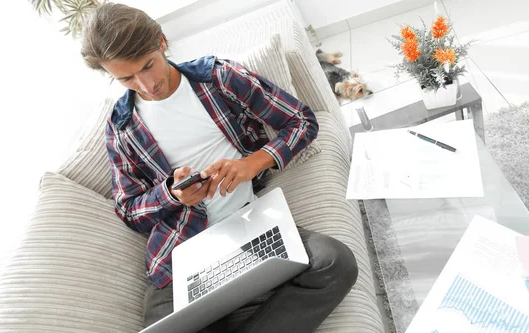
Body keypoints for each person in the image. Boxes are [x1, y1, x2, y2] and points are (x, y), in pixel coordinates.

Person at [80, 3, 358, 333]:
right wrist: (171, 194)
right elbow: (128, 209)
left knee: (335, 264)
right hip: (180, 252)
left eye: (147, 66)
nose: (145, 84)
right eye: (126, 78)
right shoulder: (121, 127)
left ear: (162, 41)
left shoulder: (219, 78)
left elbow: (301, 121)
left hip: (249, 226)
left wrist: (252, 164)